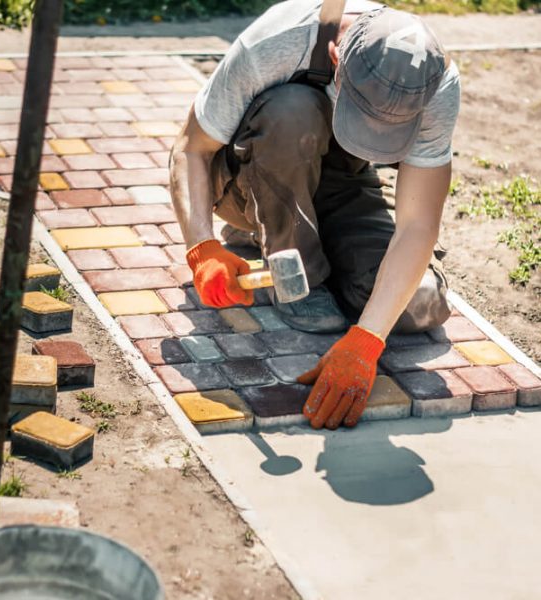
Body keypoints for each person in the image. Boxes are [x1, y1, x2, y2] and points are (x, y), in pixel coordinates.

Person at [169, 0, 460, 430]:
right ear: (336, 59)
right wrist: (202, 246)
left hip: (342, 181)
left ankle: (313, 240)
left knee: (420, 304)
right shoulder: (279, 41)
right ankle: (279, 243)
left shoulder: (433, 84)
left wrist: (365, 341)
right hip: (254, 174)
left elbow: (417, 226)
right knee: (293, 109)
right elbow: (190, 149)